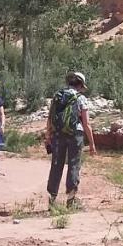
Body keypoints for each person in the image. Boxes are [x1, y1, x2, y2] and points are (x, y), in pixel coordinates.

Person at [46, 71, 97, 209]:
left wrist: (48, 135)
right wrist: (92, 144)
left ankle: (52, 200)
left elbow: (50, 117)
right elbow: (86, 124)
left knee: (56, 165)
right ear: (80, 85)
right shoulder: (81, 98)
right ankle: (71, 200)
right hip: (75, 134)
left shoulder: (57, 96)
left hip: (57, 134)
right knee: (74, 165)